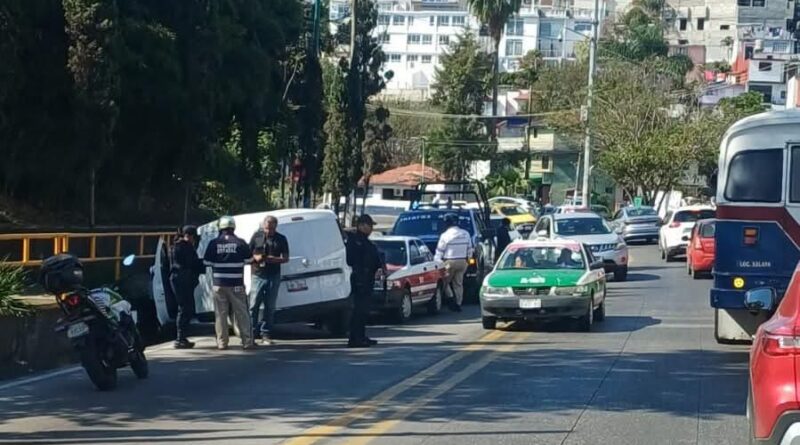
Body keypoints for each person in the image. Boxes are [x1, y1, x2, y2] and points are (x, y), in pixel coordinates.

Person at [203, 216, 255, 350]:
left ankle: (222, 343)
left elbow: (206, 262)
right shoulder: (240, 242)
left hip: (219, 284)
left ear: (220, 228)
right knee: (242, 313)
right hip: (236, 283)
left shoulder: (214, 243)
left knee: (220, 314)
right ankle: (247, 341)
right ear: (233, 227)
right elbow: (250, 260)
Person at [249, 215, 289, 345]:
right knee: (253, 305)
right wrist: (256, 257)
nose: (269, 231)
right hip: (258, 275)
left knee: (270, 306)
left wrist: (270, 259)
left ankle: (265, 334)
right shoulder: (257, 236)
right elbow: (248, 254)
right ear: (263, 226)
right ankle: (250, 334)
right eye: (267, 228)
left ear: (275, 227)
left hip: (273, 275)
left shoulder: (281, 239)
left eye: (271, 228)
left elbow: (286, 258)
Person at [345, 214, 382, 348]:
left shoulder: (366, 242)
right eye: (369, 225)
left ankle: (361, 336)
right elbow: (352, 260)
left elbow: (374, 259)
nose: (371, 228)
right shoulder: (355, 241)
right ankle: (355, 338)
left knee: (363, 310)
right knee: (358, 311)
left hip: (367, 280)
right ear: (361, 225)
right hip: (359, 280)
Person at [169, 225, 205, 349]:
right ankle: (180, 338)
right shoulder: (185, 247)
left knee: (185, 308)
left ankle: (182, 338)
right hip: (182, 280)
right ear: (189, 236)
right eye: (194, 237)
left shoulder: (176, 246)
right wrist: (204, 263)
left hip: (179, 279)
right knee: (185, 308)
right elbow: (192, 263)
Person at [435, 213, 473, 312]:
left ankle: (451, 299)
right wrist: (468, 260)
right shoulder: (466, 233)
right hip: (463, 261)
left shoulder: (445, 235)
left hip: (449, 262)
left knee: (444, 282)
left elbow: (439, 252)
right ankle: (458, 303)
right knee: (458, 284)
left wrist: (438, 263)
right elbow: (470, 249)